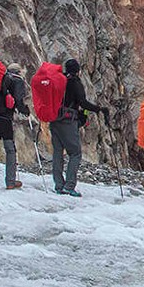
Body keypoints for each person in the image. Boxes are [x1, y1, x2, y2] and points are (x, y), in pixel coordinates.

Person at [49, 59, 109, 197]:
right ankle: (69, 186)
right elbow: (82, 102)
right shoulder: (74, 82)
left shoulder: (59, 80)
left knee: (57, 152)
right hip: (68, 120)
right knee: (75, 153)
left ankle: (59, 185)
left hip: (54, 119)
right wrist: (99, 109)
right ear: (77, 70)